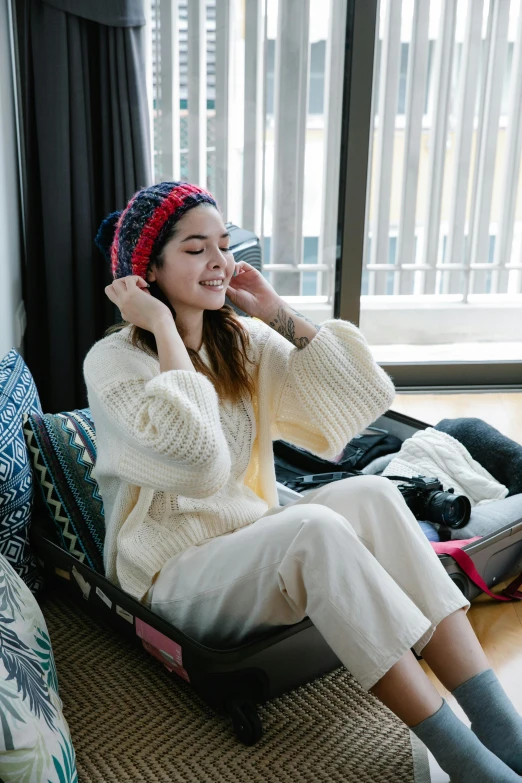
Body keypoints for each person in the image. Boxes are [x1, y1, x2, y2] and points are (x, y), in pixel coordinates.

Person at [85, 182, 522, 782]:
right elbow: (198, 461)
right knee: (313, 527)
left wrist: (276, 312)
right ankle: (464, 759)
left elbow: (362, 400)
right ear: (148, 272)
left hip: (253, 540)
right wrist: (163, 328)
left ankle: (500, 725)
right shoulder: (113, 363)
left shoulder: (238, 340)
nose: (221, 261)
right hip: (172, 575)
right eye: (195, 249)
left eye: (223, 243)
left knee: (371, 493)